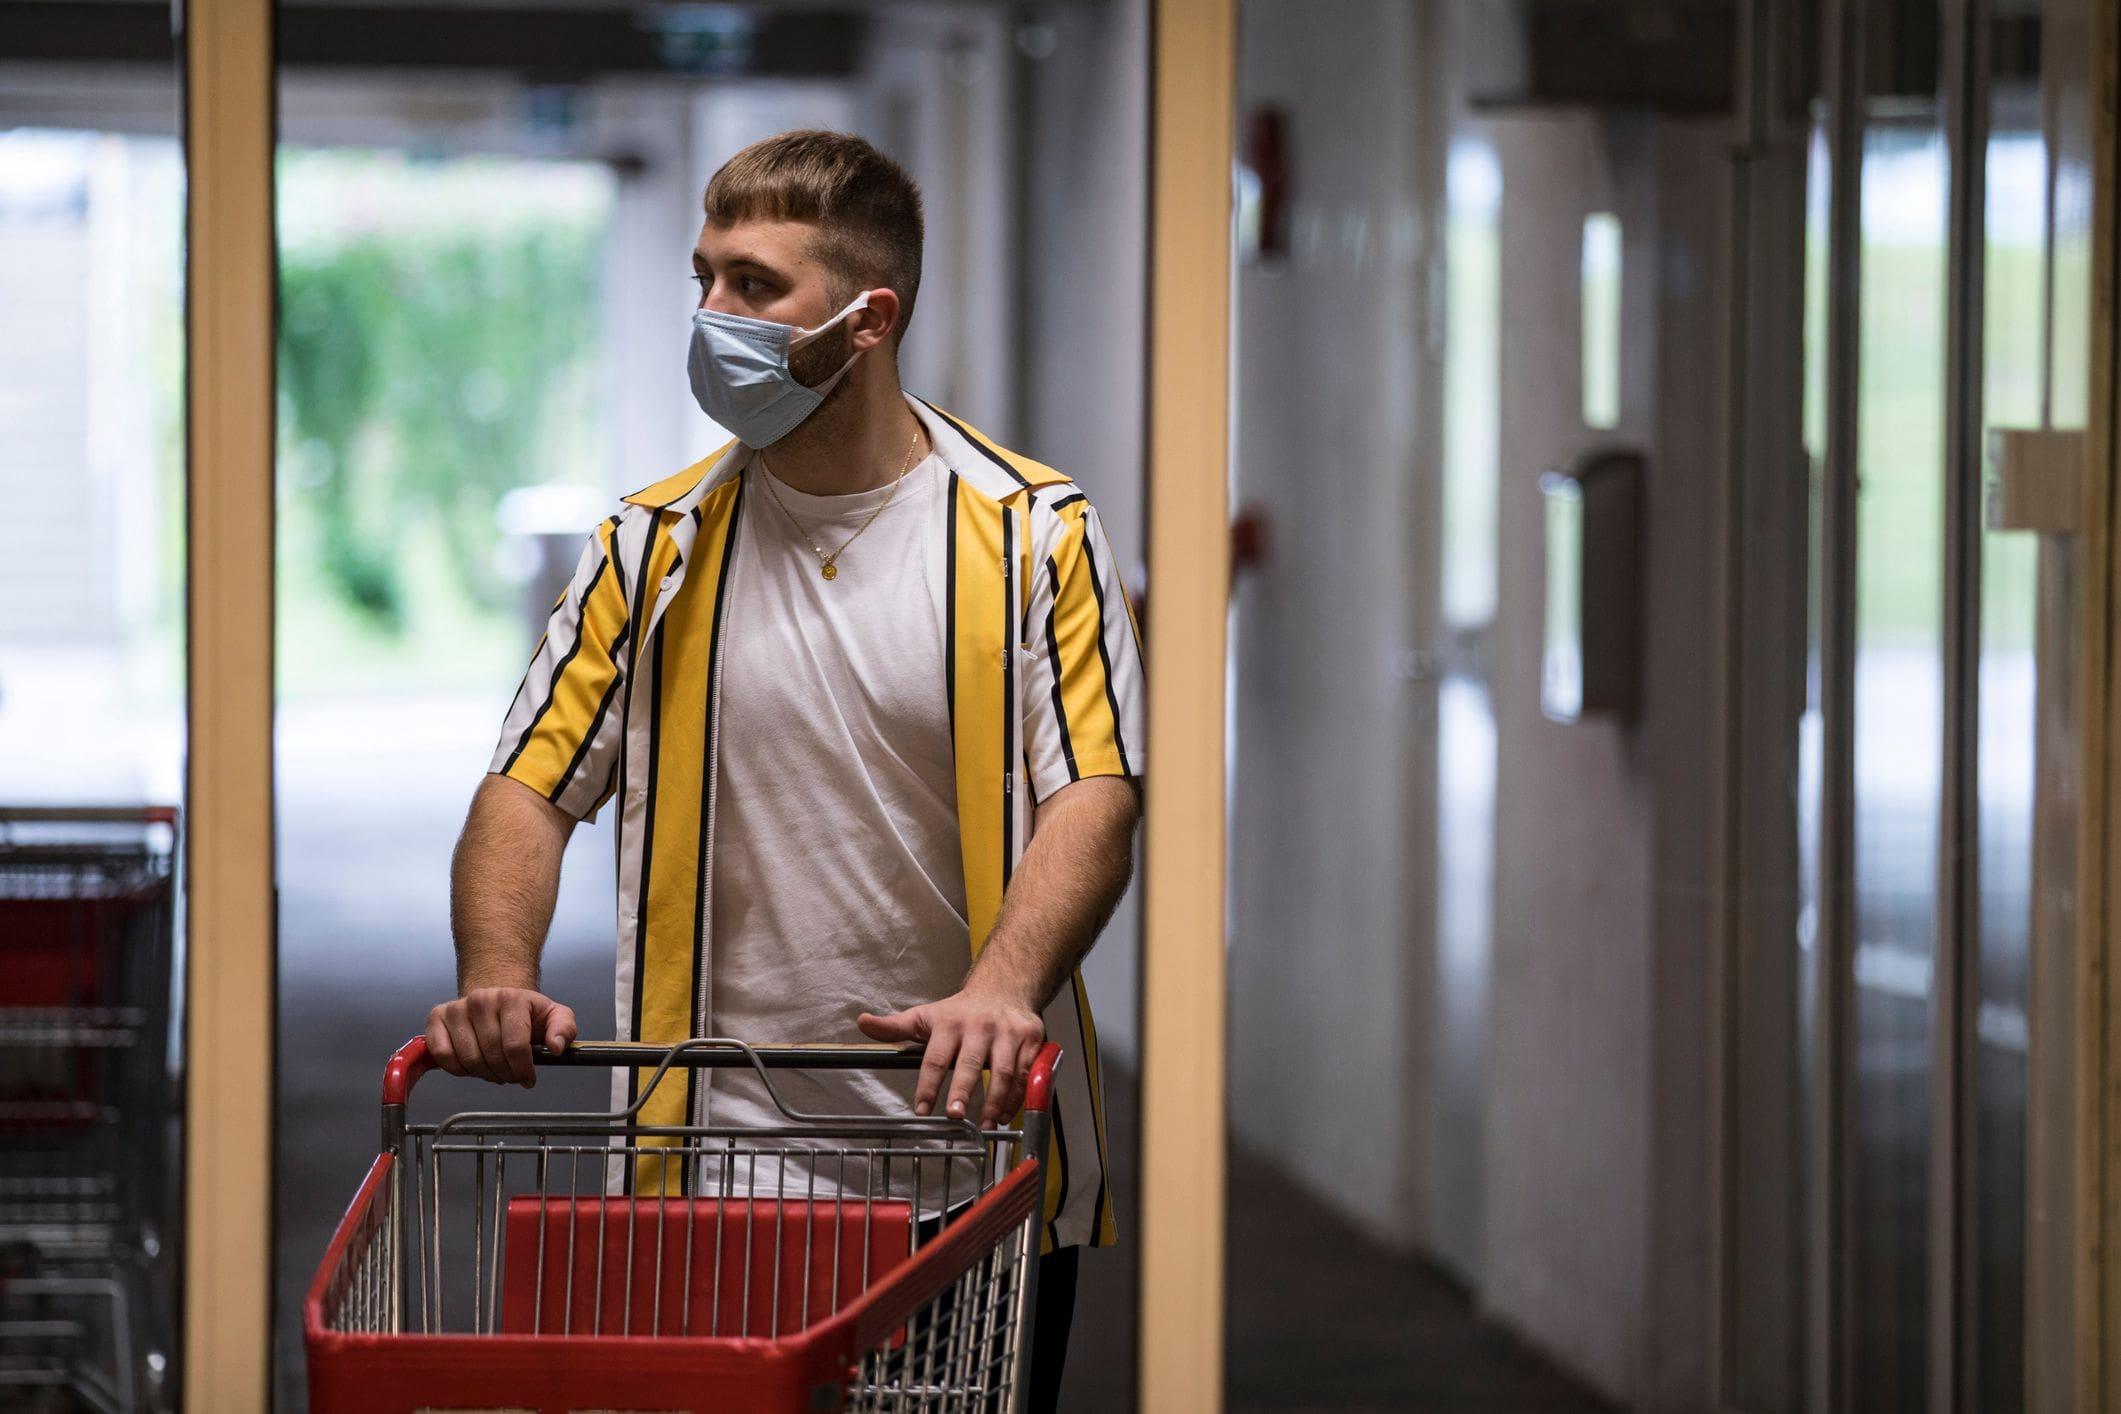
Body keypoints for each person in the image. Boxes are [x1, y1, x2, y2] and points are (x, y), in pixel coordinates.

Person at [424, 129, 1144, 1410]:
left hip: (966, 1160)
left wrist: (1002, 989)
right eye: (703, 278)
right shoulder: (649, 552)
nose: (712, 314)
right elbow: (528, 786)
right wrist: (496, 975)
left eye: (755, 285)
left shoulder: (1033, 535)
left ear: (871, 318)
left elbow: (1093, 792)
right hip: (717, 1163)